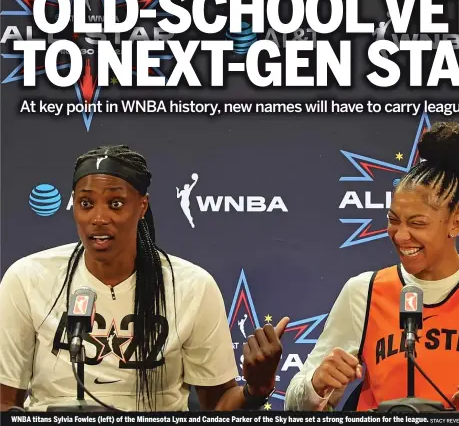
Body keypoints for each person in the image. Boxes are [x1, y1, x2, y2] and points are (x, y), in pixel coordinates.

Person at [0, 145, 288, 412]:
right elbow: (4, 402)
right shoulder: (28, 278)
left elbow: (217, 406)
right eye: (86, 203)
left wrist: (257, 388)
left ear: (142, 206)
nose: (98, 217)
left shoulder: (192, 287)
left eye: (115, 203)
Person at [285, 121, 459, 411]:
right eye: (393, 220)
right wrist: (317, 386)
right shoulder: (364, 291)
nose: (400, 235)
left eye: (417, 223)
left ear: (456, 224)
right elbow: (294, 404)